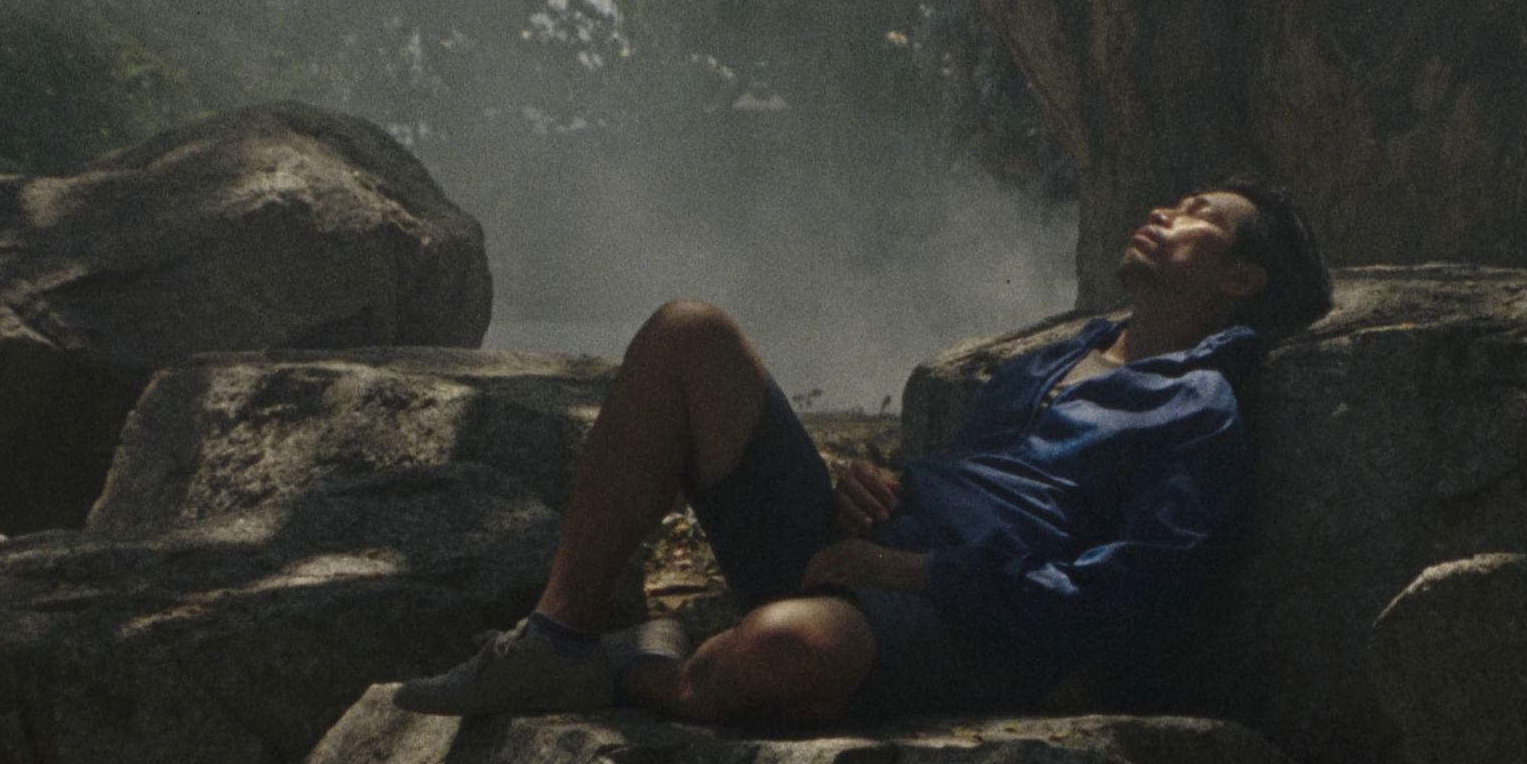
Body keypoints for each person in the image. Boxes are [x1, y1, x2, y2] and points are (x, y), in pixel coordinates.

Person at [393, 177, 1333, 723]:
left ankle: (644, 663)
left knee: (781, 649)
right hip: (858, 555)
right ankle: (557, 636)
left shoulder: (1198, 410)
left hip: (974, 627)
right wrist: (874, 487)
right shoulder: (1055, 356)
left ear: (1241, 278)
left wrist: (918, 572)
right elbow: (962, 486)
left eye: (1199, 214)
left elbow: (1125, 595)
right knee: (690, 333)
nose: (1166, 211)